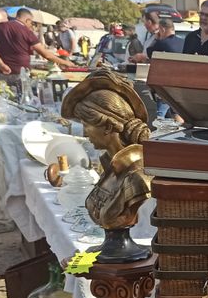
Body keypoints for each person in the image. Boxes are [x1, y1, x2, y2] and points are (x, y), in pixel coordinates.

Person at [60, 68, 152, 239]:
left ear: (108, 126)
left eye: (86, 125)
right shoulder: (111, 168)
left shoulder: (138, 178)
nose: (85, 134)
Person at [0, 8, 74, 85]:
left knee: (6, 95)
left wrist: (1, 63)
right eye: (32, 22)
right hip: (21, 71)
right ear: (27, 20)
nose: (31, 25)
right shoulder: (27, 31)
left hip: (4, 70)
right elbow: (46, 54)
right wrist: (65, 62)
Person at [144, 17, 185, 119]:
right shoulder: (183, 42)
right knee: (176, 112)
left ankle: (157, 133)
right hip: (181, 85)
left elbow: (149, 52)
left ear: (162, 29)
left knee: (159, 114)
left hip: (167, 85)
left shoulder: (162, 43)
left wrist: (156, 39)